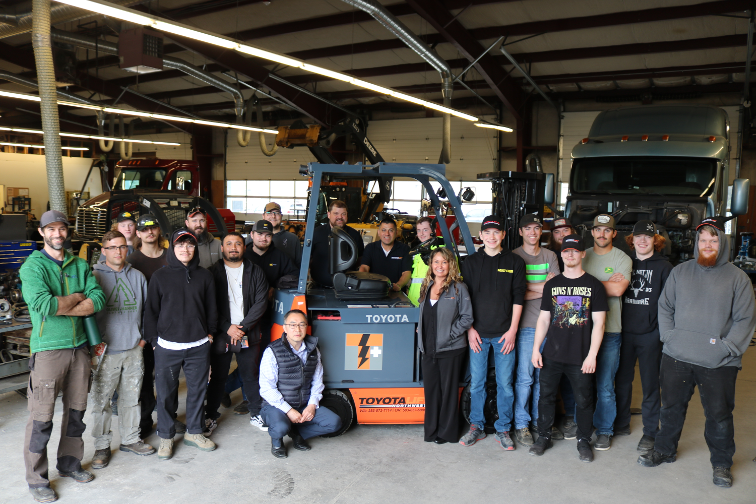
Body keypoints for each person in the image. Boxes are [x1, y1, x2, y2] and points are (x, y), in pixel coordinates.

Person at [639, 216, 756, 488]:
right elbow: (665, 306)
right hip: (676, 356)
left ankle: (722, 464)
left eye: (713, 240)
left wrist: (727, 349)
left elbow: (744, 320)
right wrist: (669, 337)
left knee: (719, 415)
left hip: (719, 362)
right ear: (697, 244)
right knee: (670, 409)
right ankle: (665, 450)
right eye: (703, 240)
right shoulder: (681, 272)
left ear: (722, 243)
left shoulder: (737, 278)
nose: (707, 245)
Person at [20, 210, 105, 503]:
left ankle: (69, 465)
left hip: (79, 348)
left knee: (77, 413)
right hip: (48, 351)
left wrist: (69, 304)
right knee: (41, 418)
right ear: (42, 233)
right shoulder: (33, 267)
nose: (57, 234)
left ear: (67, 232)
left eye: (62, 229)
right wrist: (78, 298)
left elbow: (98, 299)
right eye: (51, 229)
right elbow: (44, 305)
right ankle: (37, 480)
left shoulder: (79, 264)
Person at [529, 234, 608, 462]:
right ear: (561, 254)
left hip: (581, 356)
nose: (570, 254)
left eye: (575, 250)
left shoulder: (594, 285)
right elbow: (543, 320)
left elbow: (599, 323)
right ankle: (543, 436)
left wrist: (592, 355)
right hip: (552, 353)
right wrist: (536, 349)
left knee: (584, 399)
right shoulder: (552, 285)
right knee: (546, 397)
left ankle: (584, 440)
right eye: (566, 251)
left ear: (583, 253)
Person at [144, 228, 218, 460]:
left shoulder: (205, 276)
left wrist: (211, 333)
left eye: (190, 245)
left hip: (198, 345)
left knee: (197, 390)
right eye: (180, 245)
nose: (185, 249)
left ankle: (194, 432)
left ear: (195, 249)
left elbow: (212, 308)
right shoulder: (160, 276)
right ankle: (166, 436)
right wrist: (155, 340)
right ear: (172, 249)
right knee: (166, 393)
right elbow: (151, 311)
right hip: (167, 346)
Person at [459, 215, 526, 450]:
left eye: (496, 232)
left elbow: (519, 298)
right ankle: (476, 427)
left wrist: (512, 331)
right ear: (481, 236)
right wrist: (470, 330)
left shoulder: (515, 262)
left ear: (503, 235)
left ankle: (503, 429)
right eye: (487, 232)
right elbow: (464, 301)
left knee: (505, 385)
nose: (492, 237)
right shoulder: (470, 263)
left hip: (503, 336)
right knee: (476, 383)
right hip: (477, 334)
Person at [90, 231, 154, 470]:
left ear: (127, 249)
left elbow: (149, 311)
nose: (118, 251)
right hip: (105, 351)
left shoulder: (137, 276)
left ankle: (130, 439)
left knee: (131, 398)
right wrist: (93, 347)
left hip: (133, 348)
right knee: (102, 401)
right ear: (103, 250)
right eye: (112, 247)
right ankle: (102, 445)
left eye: (122, 247)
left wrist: (143, 341)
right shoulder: (94, 276)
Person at [615, 221, 673, 453]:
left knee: (650, 385)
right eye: (638, 236)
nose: (642, 240)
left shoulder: (665, 267)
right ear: (632, 240)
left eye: (647, 237)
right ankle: (620, 424)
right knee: (621, 382)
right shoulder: (623, 262)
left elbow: (670, 304)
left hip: (651, 335)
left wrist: (662, 332)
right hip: (624, 332)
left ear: (655, 241)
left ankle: (650, 432)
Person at [206, 232, 269, 434]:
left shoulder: (256, 271)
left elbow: (261, 303)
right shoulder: (211, 273)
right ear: (222, 248)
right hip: (222, 332)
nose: (234, 247)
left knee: (250, 374)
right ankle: (210, 416)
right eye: (229, 244)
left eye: (238, 244)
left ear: (244, 247)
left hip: (247, 332)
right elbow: (210, 306)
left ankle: (256, 413)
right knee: (217, 377)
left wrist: (242, 328)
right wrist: (228, 327)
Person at [259, 309, 342, 458]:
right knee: (280, 427)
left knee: (334, 422)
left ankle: (297, 434)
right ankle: (277, 440)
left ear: (306, 327)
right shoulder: (272, 351)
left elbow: (318, 381)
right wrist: (288, 410)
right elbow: (266, 388)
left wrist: (311, 405)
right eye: (292, 325)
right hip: (276, 406)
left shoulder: (313, 350)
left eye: (301, 325)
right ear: (284, 328)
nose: (297, 329)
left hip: (303, 403)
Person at [581, 214, 631, 450]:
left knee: (605, 384)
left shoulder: (622, 258)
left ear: (614, 234)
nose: (602, 234)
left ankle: (604, 430)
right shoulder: (582, 255)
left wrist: (586, 285)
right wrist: (604, 284)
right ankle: (580, 424)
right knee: (579, 381)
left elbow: (618, 289)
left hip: (610, 330)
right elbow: (570, 286)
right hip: (580, 330)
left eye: (607, 230)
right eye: (598, 230)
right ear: (592, 232)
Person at [512, 214, 560, 446]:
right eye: (528, 228)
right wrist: (545, 287)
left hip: (549, 326)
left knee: (544, 379)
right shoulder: (513, 256)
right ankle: (522, 424)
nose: (533, 232)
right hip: (525, 327)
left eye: (537, 228)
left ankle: (540, 423)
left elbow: (558, 290)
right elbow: (514, 292)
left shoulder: (550, 255)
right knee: (524, 378)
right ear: (520, 231)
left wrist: (529, 289)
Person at [417, 247, 472, 444]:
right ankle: (431, 432)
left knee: (448, 392)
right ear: (431, 265)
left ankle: (446, 433)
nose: (440, 266)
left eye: (444, 262)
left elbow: (467, 317)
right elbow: (425, 314)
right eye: (436, 262)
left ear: (451, 265)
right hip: (428, 349)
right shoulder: (427, 286)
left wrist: (450, 334)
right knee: (431, 391)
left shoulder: (458, 288)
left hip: (451, 349)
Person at [126, 214, 172, 439]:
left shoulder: (170, 257)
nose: (149, 232)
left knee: (167, 377)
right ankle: (145, 422)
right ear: (138, 234)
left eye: (153, 228)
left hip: (170, 328)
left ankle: (168, 420)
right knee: (144, 379)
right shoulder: (132, 261)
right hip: (143, 330)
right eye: (144, 230)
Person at [310, 200, 364, 288]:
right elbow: (308, 258)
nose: (340, 217)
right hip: (319, 287)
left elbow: (360, 259)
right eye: (336, 213)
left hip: (347, 288)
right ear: (328, 215)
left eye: (343, 214)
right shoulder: (316, 233)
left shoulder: (355, 235)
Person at [243, 220, 298, 291]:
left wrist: (276, 286)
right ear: (252, 235)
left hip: (272, 300)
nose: (264, 239)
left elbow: (295, 275)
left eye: (268, 235)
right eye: (260, 234)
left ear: (272, 236)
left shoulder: (280, 256)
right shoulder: (243, 255)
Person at [359, 217, 412, 291]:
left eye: (391, 230)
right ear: (378, 232)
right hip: (373, 291)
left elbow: (407, 272)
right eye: (384, 230)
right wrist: (363, 283)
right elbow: (364, 267)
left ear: (396, 233)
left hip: (396, 292)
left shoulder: (404, 249)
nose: (387, 234)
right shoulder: (370, 248)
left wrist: (398, 285)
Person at [407, 216, 444, 306]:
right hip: (414, 301)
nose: (421, 234)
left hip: (431, 302)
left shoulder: (442, 251)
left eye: (425, 230)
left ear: (434, 231)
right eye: (419, 230)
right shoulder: (419, 252)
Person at [263, 202, 302, 267]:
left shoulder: (293, 239)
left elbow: (300, 265)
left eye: (277, 213)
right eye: (269, 213)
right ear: (263, 216)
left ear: (281, 216)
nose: (273, 216)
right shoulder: (254, 238)